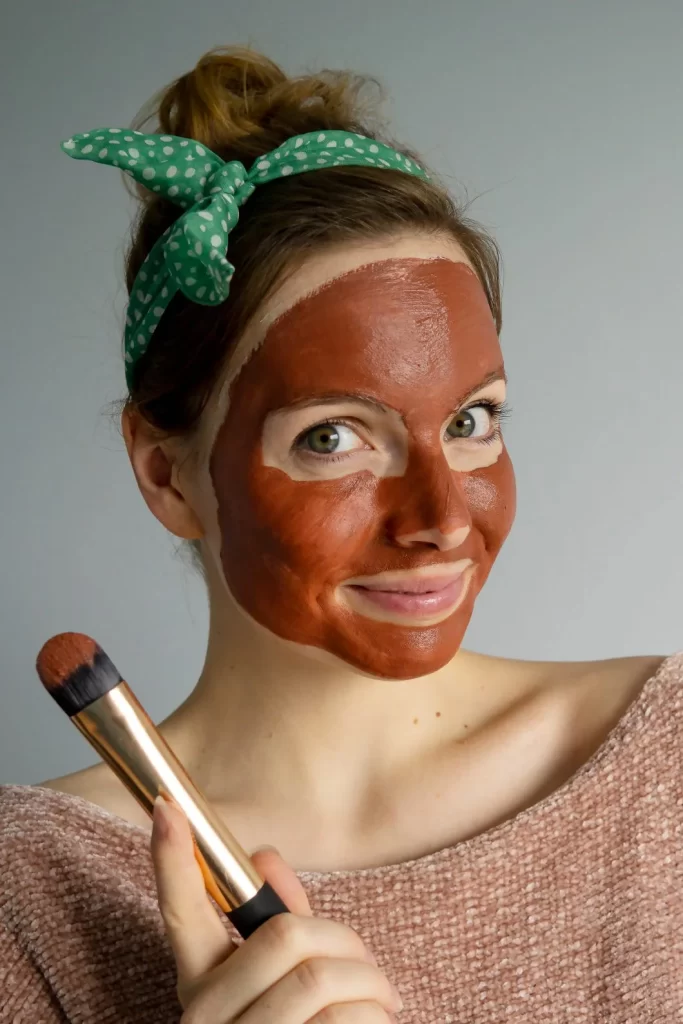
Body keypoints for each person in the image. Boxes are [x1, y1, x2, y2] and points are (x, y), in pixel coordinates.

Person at [0, 45, 680, 1024]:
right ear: (165, 473)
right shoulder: (29, 891)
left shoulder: (665, 762)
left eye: (470, 422)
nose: (441, 519)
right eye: (330, 437)